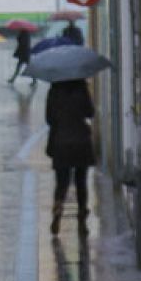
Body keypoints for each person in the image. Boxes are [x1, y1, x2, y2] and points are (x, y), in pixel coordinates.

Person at [45, 78, 96, 235]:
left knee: (62, 182)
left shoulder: (54, 90)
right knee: (81, 182)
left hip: (61, 141)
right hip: (81, 141)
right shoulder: (81, 88)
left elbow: (49, 119)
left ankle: (59, 205)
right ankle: (81, 219)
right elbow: (90, 112)